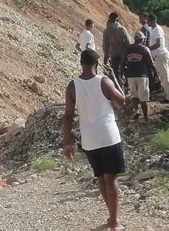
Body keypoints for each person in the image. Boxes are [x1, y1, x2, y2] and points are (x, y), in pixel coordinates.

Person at [63, 49, 126, 231]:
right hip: (108, 134)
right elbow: (121, 101)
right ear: (97, 65)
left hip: (89, 137)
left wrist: (67, 142)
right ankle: (114, 223)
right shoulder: (104, 81)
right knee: (111, 178)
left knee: (100, 177)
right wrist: (114, 78)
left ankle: (111, 217)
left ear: (81, 63)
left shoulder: (72, 86)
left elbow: (68, 117)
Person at [120, 31, 154, 121]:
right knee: (143, 98)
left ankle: (136, 111)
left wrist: (121, 74)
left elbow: (122, 63)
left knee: (134, 96)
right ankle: (146, 117)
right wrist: (156, 75)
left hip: (130, 76)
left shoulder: (127, 49)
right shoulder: (145, 49)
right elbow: (151, 63)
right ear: (142, 39)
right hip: (142, 75)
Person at [147, 14, 169, 102]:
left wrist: (148, 49)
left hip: (161, 55)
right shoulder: (152, 29)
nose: (147, 22)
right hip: (159, 56)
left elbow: (158, 44)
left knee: (164, 77)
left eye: (148, 20)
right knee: (166, 76)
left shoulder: (157, 29)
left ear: (153, 21)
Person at [103, 12, 130, 90]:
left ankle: (119, 91)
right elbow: (128, 42)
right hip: (124, 54)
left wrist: (105, 58)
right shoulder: (122, 29)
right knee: (125, 71)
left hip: (114, 55)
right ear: (117, 19)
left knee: (116, 73)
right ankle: (127, 90)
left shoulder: (107, 30)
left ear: (110, 19)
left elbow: (105, 45)